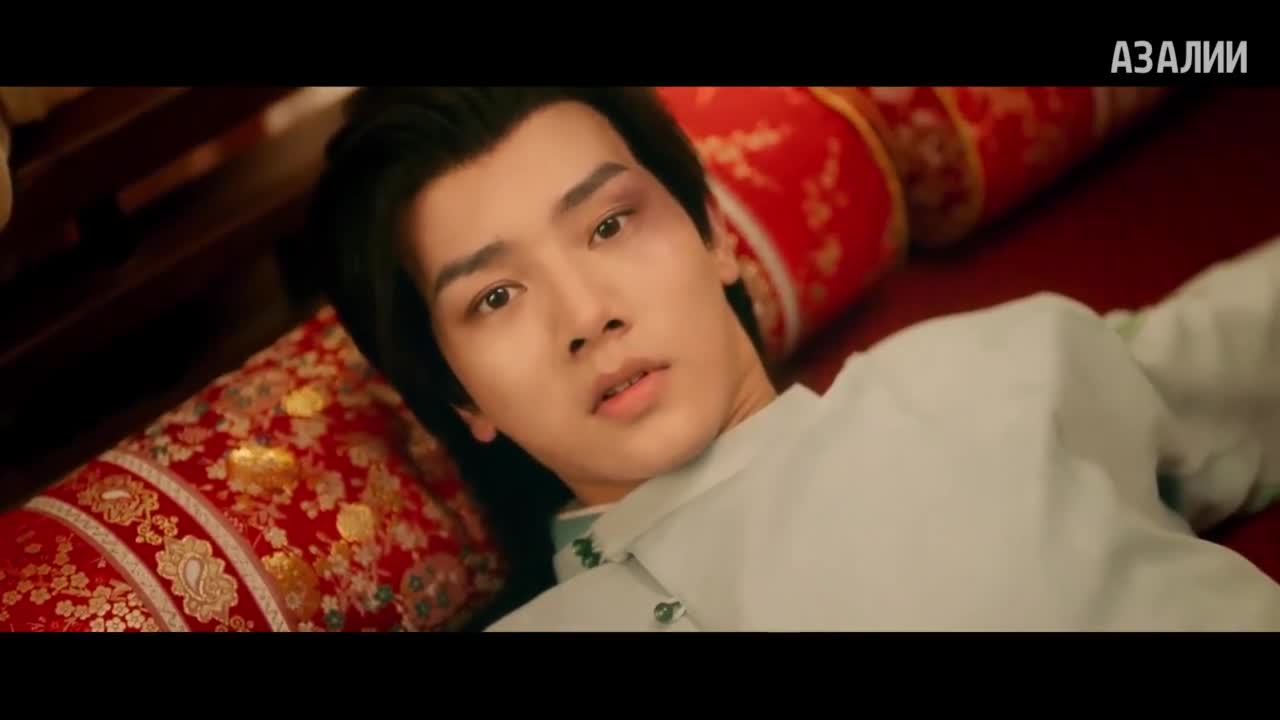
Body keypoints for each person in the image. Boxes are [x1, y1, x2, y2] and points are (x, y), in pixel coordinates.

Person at [310, 86, 1280, 631]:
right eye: (494, 297)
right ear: (458, 396)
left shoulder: (984, 372)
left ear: (713, 235)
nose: (587, 316)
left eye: (608, 224)